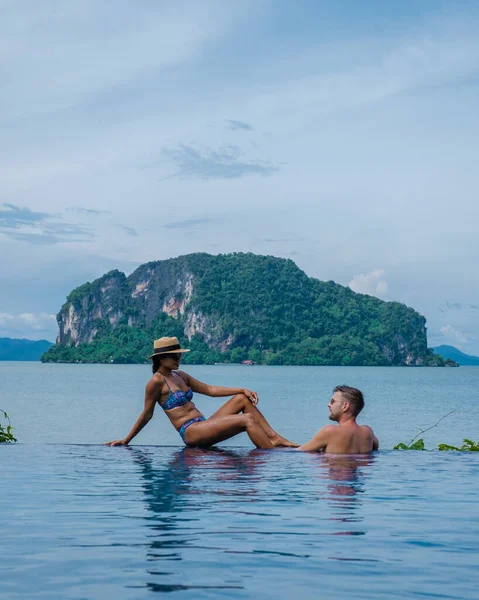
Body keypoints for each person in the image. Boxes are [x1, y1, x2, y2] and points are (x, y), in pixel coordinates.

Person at [106, 336, 297, 449]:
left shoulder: (180, 375)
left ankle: (274, 438)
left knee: (241, 400)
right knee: (247, 420)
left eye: (179, 355)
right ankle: (271, 455)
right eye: (174, 356)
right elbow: (147, 414)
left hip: (203, 424)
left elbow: (210, 390)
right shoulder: (155, 382)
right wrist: (126, 440)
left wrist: (241, 388)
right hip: (191, 432)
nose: (178, 359)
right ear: (161, 358)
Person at [298, 385, 378, 454]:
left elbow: (299, 451)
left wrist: (286, 442)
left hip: (336, 470)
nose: (328, 404)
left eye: (333, 401)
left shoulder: (330, 431)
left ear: (345, 406)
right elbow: (376, 447)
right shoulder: (368, 432)